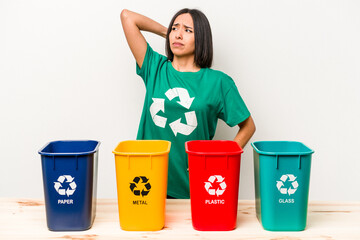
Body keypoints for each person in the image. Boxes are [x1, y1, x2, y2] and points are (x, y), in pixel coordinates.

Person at [120, 8, 256, 199]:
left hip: (195, 189)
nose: (178, 34)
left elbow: (248, 126)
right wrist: (167, 33)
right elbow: (128, 17)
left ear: (201, 38)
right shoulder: (154, 67)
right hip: (146, 183)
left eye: (188, 30)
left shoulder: (218, 82)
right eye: (175, 28)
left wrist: (221, 160)